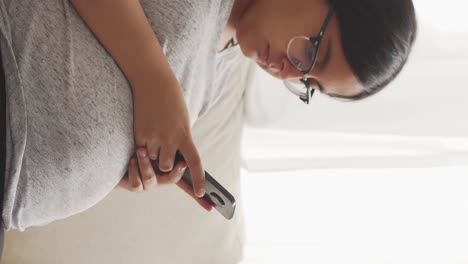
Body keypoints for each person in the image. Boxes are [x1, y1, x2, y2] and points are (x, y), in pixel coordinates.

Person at [0, 0, 417, 261]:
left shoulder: (220, 75)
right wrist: (153, 77)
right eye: (313, 51)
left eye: (308, 83)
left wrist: (128, 173)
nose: (290, 71)